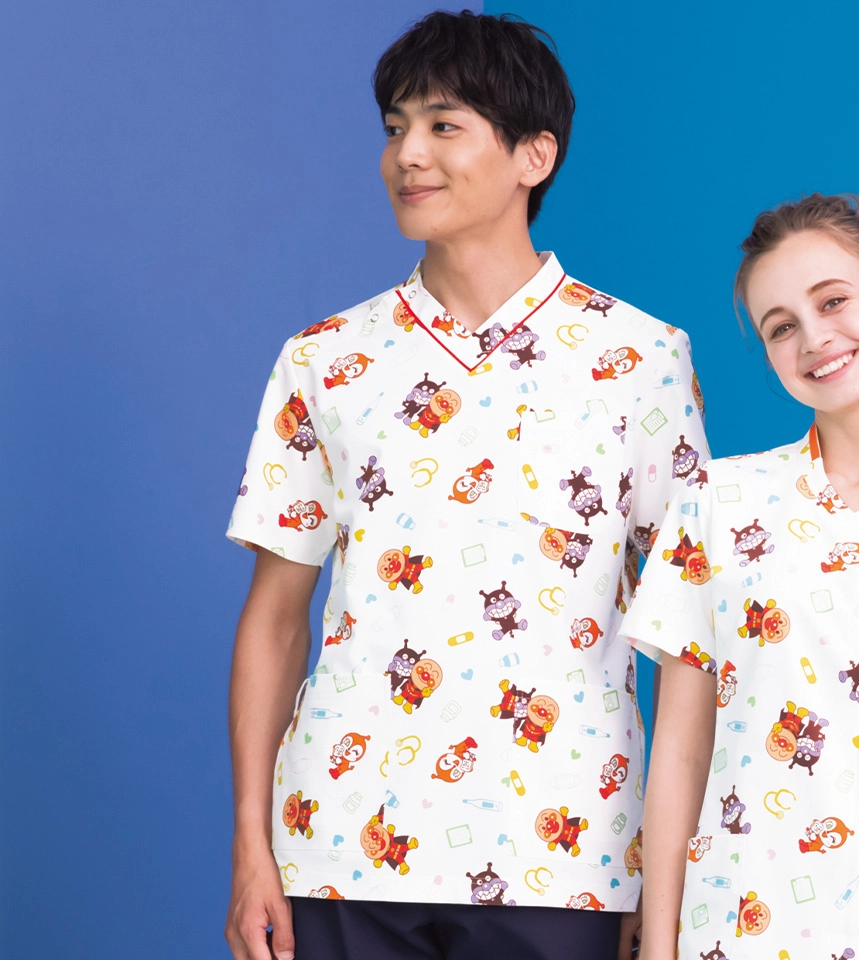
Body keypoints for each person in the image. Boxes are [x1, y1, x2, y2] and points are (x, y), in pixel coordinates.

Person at [223, 10, 706, 960]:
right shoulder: (326, 359)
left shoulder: (642, 360)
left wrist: (669, 875)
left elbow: (692, 640)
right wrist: (251, 844)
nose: (408, 154)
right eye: (395, 127)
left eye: (443, 125)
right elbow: (275, 617)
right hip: (338, 846)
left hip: (566, 852)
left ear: (534, 156)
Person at [620, 193, 859, 959]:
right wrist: (659, 948)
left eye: (833, 301)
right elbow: (679, 754)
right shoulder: (718, 503)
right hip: (742, 929)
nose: (814, 338)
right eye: (781, 326)